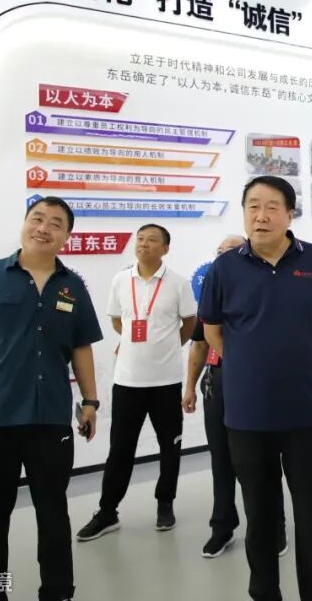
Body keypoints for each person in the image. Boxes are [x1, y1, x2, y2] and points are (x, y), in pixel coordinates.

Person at [0, 197, 103, 601]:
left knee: (54, 514)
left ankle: (58, 592)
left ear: (67, 236)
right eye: (37, 218)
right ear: (25, 224)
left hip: (51, 420)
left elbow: (81, 346)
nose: (44, 228)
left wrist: (90, 401)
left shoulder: (73, 286)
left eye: (56, 223)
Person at [198, 176, 312, 601]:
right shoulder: (225, 268)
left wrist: (294, 355)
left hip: (305, 412)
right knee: (259, 516)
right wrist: (251, 363)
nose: (261, 216)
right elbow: (212, 330)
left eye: (272, 206)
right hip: (247, 414)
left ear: (290, 214)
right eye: (253, 206)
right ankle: (264, 592)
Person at [77, 224, 197, 540]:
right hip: (128, 380)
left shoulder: (178, 283)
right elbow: (119, 321)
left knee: (169, 447)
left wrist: (166, 345)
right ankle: (107, 511)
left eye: (152, 240)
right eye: (140, 239)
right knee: (120, 449)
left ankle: (165, 504)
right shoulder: (121, 280)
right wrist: (135, 342)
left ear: (165, 249)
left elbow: (189, 323)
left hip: (166, 381)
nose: (144, 244)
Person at [183, 235, 290, 559]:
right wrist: (190, 386)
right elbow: (199, 343)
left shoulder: (263, 288)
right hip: (218, 382)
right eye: (219, 252)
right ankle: (223, 526)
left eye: (230, 251)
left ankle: (274, 528)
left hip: (257, 383)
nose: (223, 257)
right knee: (221, 458)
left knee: (262, 460)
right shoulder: (212, 291)